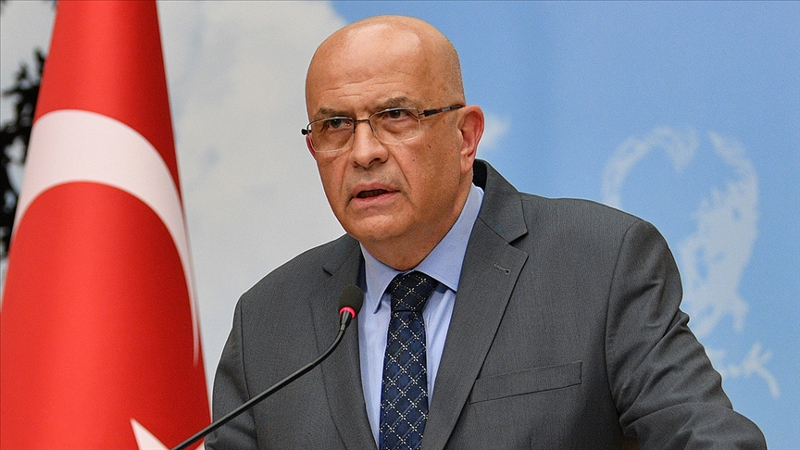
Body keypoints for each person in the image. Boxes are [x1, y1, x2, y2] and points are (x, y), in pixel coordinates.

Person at [208, 15, 766, 450]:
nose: (364, 152)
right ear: (314, 148)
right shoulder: (268, 321)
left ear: (466, 136)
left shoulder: (601, 265)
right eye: (335, 125)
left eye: (396, 116)